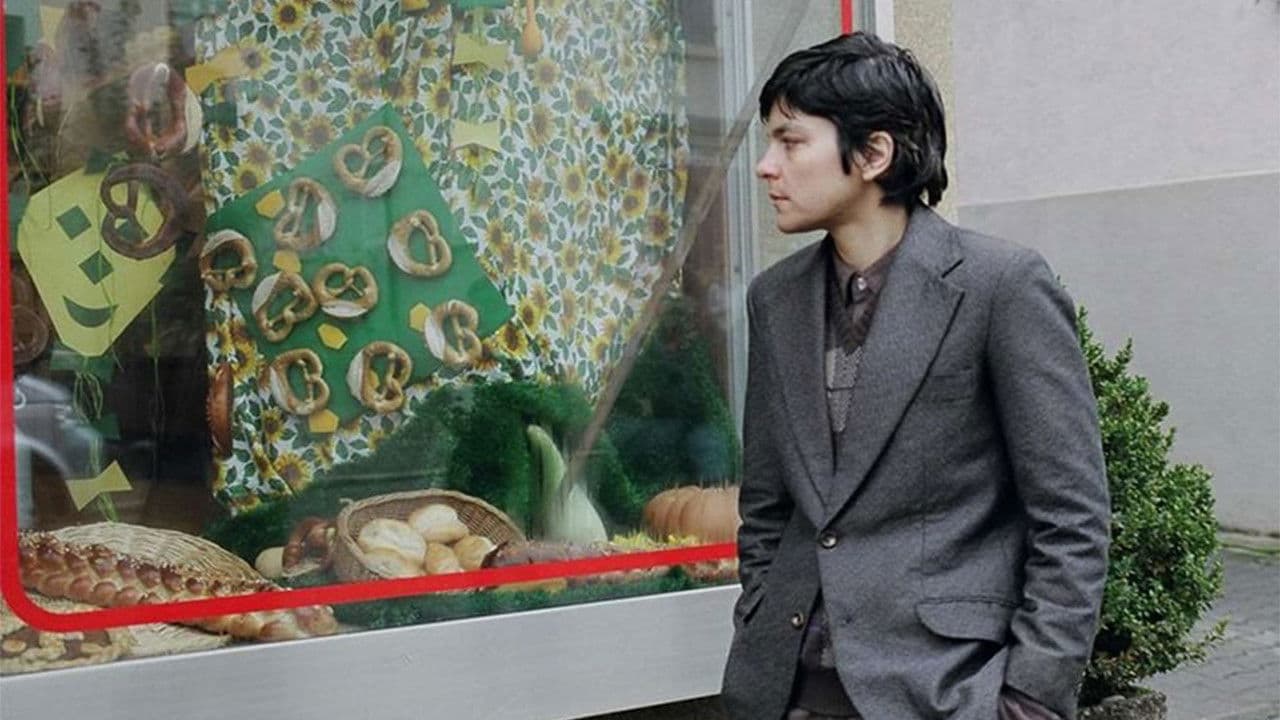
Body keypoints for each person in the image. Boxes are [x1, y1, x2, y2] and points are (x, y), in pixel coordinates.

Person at [720, 32, 1110, 720]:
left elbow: (1071, 516)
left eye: (790, 141)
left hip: (946, 686)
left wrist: (1030, 697)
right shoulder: (775, 298)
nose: (765, 166)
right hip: (789, 688)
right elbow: (767, 506)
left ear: (874, 154)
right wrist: (760, 612)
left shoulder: (999, 285)